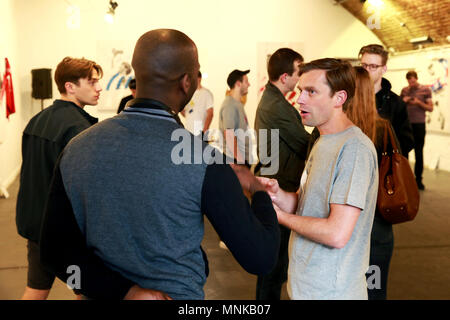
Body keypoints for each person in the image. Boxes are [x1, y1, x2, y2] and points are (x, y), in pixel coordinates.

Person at [39, 29, 280, 300]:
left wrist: (125, 292)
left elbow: (53, 253)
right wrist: (257, 190)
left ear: (138, 75)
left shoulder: (76, 149)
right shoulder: (203, 160)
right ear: (186, 82)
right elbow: (261, 258)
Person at [259, 58, 379, 300]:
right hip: (307, 287)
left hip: (332, 292)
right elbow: (306, 206)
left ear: (339, 98)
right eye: (301, 90)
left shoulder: (354, 149)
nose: (300, 99)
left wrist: (280, 217)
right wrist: (278, 195)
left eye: (311, 92)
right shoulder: (322, 141)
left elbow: (336, 233)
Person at [15, 57, 102, 300]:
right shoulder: (79, 129)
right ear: (70, 86)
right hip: (66, 230)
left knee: (36, 288)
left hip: (36, 226)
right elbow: (87, 187)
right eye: (92, 82)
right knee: (85, 289)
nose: (99, 88)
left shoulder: (37, 120)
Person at [254, 48, 310, 300]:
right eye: (299, 73)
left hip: (279, 187)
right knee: (273, 268)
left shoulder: (275, 101)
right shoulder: (276, 105)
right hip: (280, 189)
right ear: (286, 76)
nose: (300, 80)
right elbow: (304, 143)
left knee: (275, 267)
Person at [349, 66, 399, 300]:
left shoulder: (331, 132)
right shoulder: (383, 128)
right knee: (374, 288)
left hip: (343, 227)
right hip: (378, 225)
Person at [358, 44, 414, 157]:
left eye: (373, 66)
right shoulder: (349, 98)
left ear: (383, 69)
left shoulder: (396, 103)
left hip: (382, 169)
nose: (367, 70)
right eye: (364, 65)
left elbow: (407, 141)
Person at [400, 70, 433, 190]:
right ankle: (405, 178)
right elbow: (398, 107)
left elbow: (430, 108)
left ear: (416, 79)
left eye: (413, 80)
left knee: (419, 153)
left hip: (419, 125)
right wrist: (404, 101)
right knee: (405, 153)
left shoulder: (425, 90)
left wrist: (419, 102)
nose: (411, 83)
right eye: (409, 81)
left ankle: (418, 180)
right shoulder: (404, 91)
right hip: (406, 125)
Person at [219, 69, 252, 166]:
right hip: (235, 161)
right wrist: (240, 162)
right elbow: (229, 135)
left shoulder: (238, 104)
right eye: (246, 81)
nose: (249, 84)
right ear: (238, 84)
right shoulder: (230, 105)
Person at [180, 71, 214, 137]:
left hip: (200, 131)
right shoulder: (188, 93)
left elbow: (210, 113)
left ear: (199, 79)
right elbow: (184, 112)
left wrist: (204, 131)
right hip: (188, 130)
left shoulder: (206, 93)